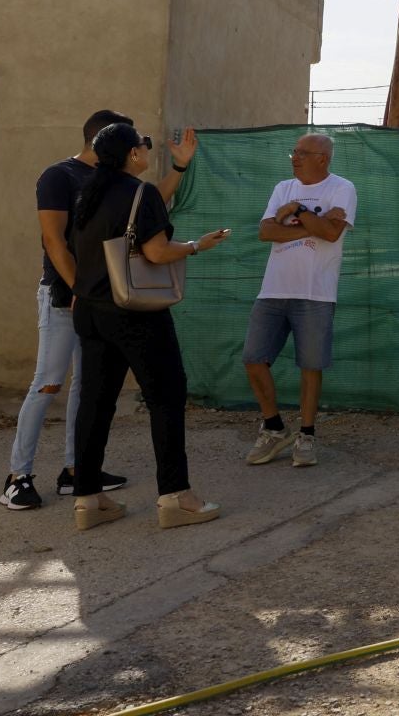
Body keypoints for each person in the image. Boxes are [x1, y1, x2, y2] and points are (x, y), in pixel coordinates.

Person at [0, 112, 196, 511]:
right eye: (136, 139)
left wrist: (179, 166)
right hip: (68, 296)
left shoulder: (112, 183)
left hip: (98, 302)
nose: (141, 145)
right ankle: (18, 475)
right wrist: (79, 289)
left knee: (86, 392)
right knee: (49, 383)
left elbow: (145, 207)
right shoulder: (59, 176)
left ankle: (76, 473)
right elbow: (54, 243)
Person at [68, 122, 231, 530]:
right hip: (135, 311)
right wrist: (196, 246)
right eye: (143, 144)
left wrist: (178, 168)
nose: (147, 149)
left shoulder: (89, 192)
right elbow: (156, 252)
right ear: (133, 155)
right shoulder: (140, 193)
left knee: (95, 402)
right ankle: (176, 496)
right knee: (166, 397)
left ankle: (88, 500)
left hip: (91, 309)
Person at [244, 133, 357, 468]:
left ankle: (306, 435)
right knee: (253, 358)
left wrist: (296, 211)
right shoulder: (283, 188)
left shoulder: (342, 188)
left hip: (316, 292)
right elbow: (266, 231)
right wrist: (315, 223)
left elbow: (333, 233)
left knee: (311, 366)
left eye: (302, 153)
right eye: (293, 151)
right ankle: (275, 428)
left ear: (322, 158)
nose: (294, 158)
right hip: (273, 291)